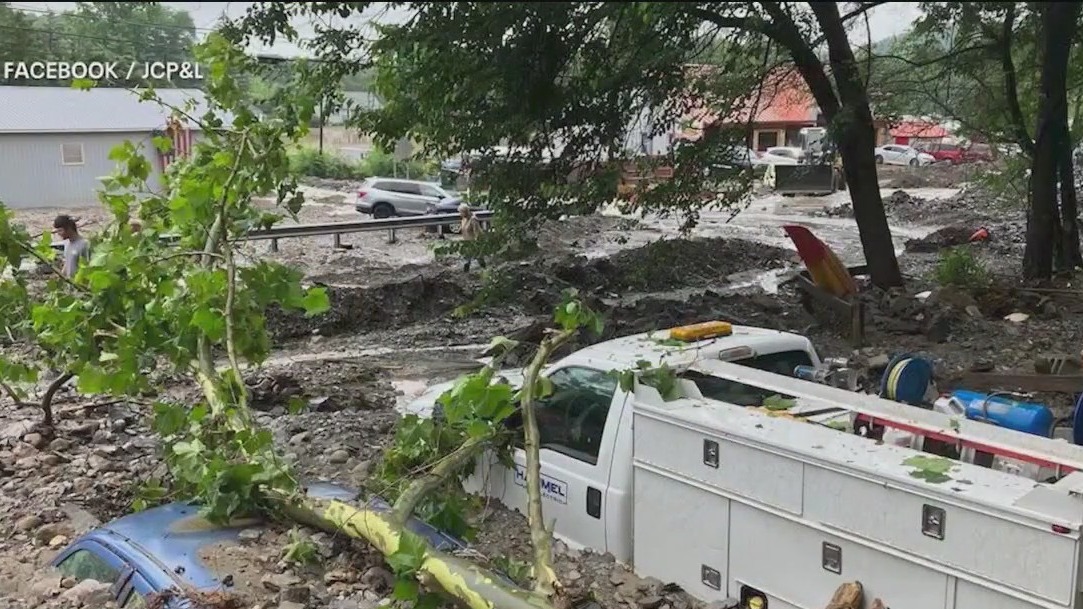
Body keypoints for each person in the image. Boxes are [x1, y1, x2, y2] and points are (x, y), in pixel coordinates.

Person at [53, 214, 90, 279]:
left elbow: (88, 267)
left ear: (69, 228)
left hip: (80, 285)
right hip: (70, 284)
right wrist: (61, 276)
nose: (58, 233)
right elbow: (67, 263)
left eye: (60, 230)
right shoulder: (67, 244)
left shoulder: (84, 245)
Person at [459, 203, 486, 272]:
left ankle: (485, 270)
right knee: (467, 259)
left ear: (465, 212)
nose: (460, 214)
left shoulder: (473, 219)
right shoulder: (463, 219)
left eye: (461, 212)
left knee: (478, 257)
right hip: (467, 242)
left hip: (473, 242)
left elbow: (477, 232)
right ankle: (466, 273)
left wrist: (477, 242)